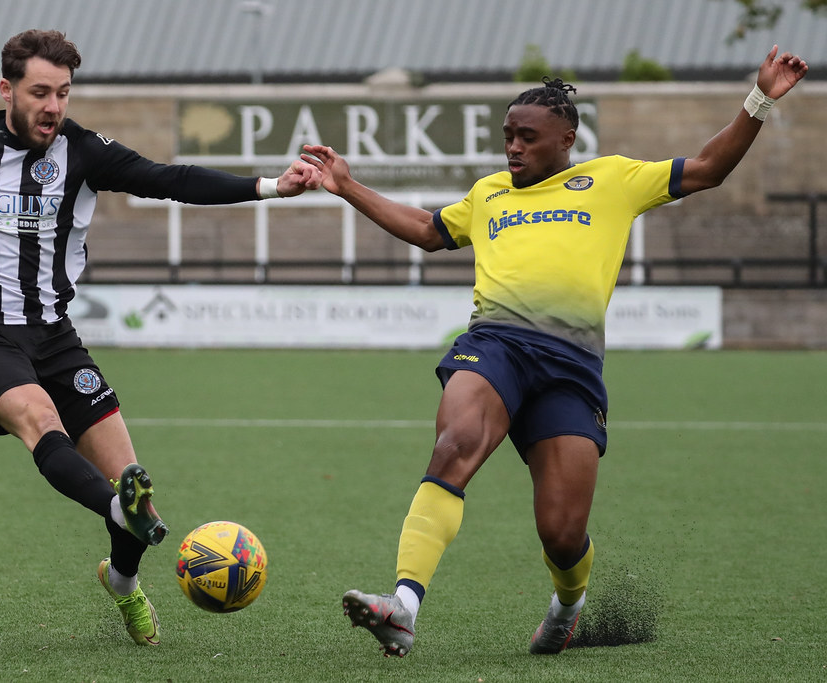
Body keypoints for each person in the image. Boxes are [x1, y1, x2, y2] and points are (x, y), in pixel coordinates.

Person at [302, 45, 807, 657]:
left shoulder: (614, 179)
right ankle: (404, 606)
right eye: (508, 135)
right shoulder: (489, 193)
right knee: (455, 444)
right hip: (496, 345)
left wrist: (758, 101)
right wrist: (347, 185)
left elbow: (707, 168)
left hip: (571, 369)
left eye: (527, 137)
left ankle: (567, 608)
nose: (512, 147)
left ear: (567, 139)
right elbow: (428, 230)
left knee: (562, 535)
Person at [0, 29, 321, 646]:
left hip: (53, 337)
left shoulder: (83, 152)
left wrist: (273, 186)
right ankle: (119, 513)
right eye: (39, 92)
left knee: (139, 491)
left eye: (62, 92)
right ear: (7, 90)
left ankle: (122, 580)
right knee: (40, 421)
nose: (53, 106)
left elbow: (171, 179)